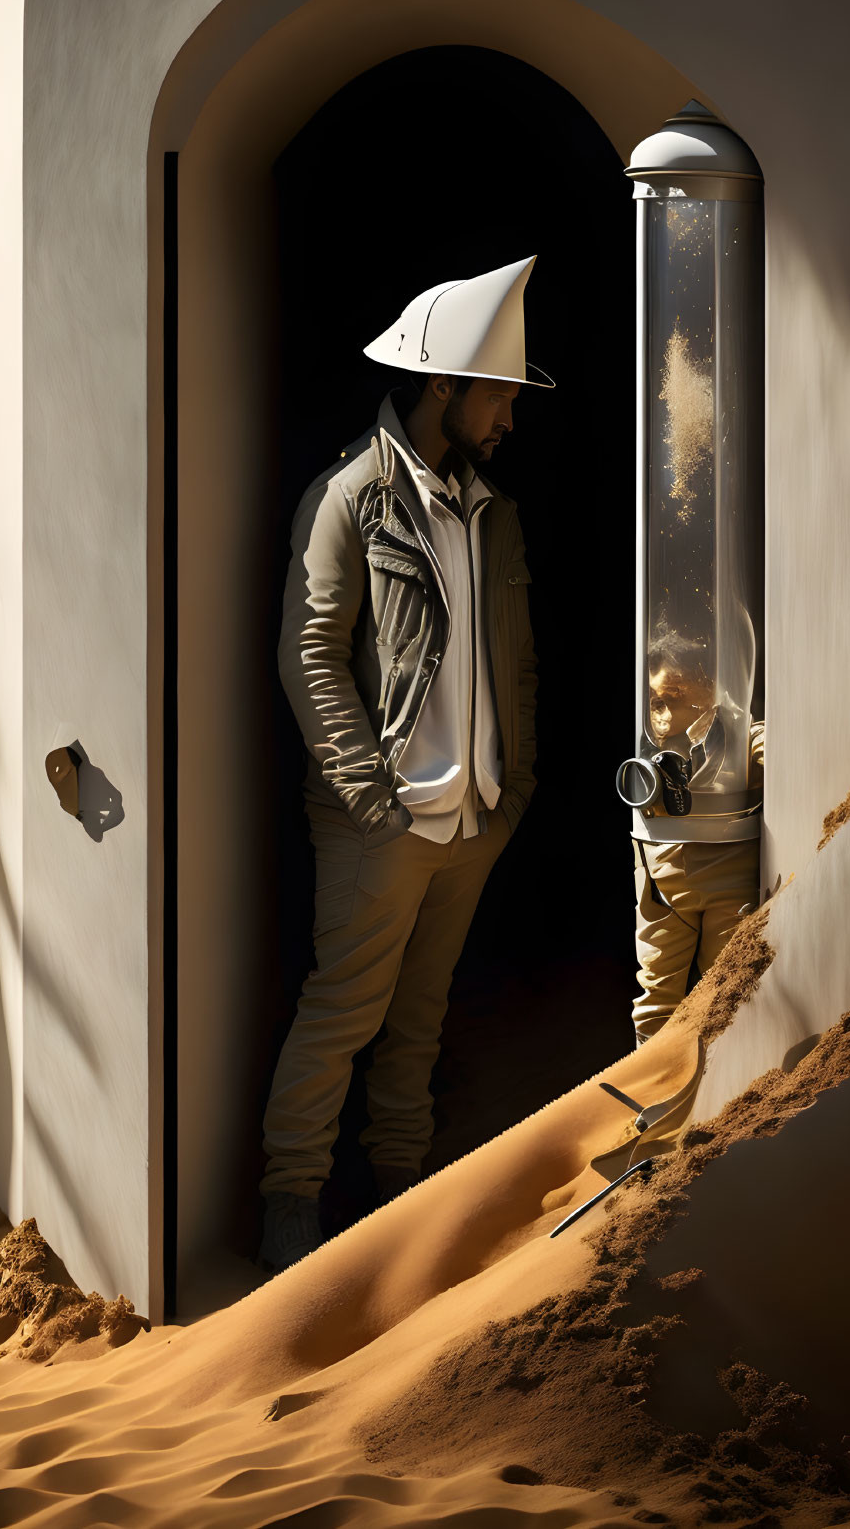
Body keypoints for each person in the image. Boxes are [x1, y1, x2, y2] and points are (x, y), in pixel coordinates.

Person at [259, 257, 546, 1272]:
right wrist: (372, 801)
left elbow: (513, 656)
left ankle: (401, 1213)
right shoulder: (350, 497)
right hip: (382, 824)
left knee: (417, 1027)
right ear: (444, 385)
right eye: (500, 392)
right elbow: (309, 651)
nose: (509, 414)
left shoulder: (490, 506)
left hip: (470, 823)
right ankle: (292, 1211)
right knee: (343, 1016)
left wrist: (513, 793)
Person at [631, 646, 764, 1045]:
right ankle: (651, 1097)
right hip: (663, 876)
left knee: (724, 997)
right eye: (654, 702)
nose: (660, 715)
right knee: (655, 1003)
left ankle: (718, 1101)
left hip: (729, 875)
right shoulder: (654, 746)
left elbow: (768, 745)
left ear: (706, 691)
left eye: (672, 699)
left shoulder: (739, 733)